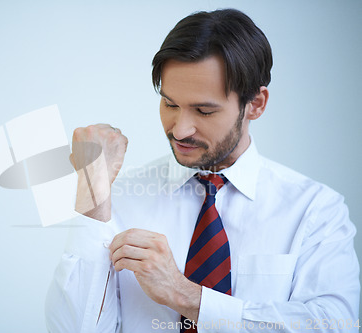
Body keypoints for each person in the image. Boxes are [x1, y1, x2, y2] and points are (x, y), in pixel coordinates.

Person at [45, 8, 360, 333]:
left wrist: (186, 296)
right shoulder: (118, 197)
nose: (180, 130)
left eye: (204, 110)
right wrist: (92, 189)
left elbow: (336, 325)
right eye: (170, 104)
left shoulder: (316, 210)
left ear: (256, 104)